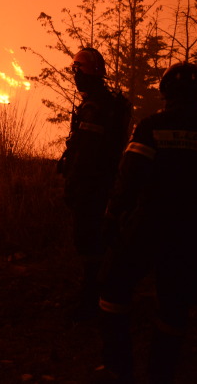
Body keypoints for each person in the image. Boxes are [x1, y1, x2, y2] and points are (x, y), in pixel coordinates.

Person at [97, 63, 197, 382]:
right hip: (193, 230)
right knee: (174, 304)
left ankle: (118, 366)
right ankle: (161, 372)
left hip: (149, 224)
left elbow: (130, 178)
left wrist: (112, 215)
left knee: (114, 290)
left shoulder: (152, 126)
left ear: (165, 93)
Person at [58, 47, 131, 320]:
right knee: (99, 239)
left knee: (89, 241)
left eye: (78, 70)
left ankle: (91, 302)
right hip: (108, 179)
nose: (76, 75)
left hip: (91, 184)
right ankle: (98, 297)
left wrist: (72, 184)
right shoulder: (110, 101)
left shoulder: (96, 106)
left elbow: (86, 152)